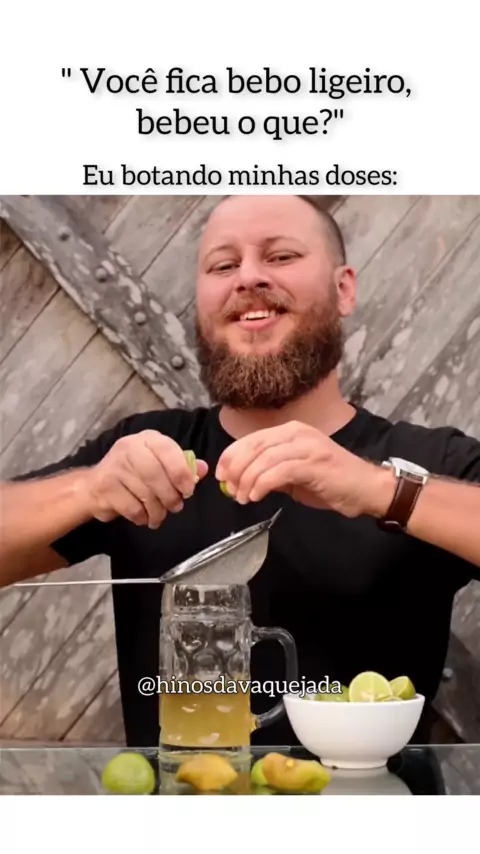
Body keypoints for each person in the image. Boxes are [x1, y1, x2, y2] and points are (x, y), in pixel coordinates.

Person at [1, 195, 479, 750]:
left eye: (280, 256)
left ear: (344, 288)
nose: (248, 277)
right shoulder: (144, 454)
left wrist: (382, 490)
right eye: (223, 265)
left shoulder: (425, 461)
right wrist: (89, 488)